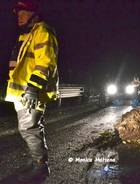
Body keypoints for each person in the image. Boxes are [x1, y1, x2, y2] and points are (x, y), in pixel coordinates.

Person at [5, 0, 59, 181]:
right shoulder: (26, 36)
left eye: (23, 12)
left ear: (34, 13)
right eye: (17, 13)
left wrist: (33, 88)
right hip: (23, 93)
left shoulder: (42, 31)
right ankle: (37, 162)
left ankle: (41, 167)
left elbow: (45, 63)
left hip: (31, 92)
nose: (18, 16)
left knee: (29, 128)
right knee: (29, 128)